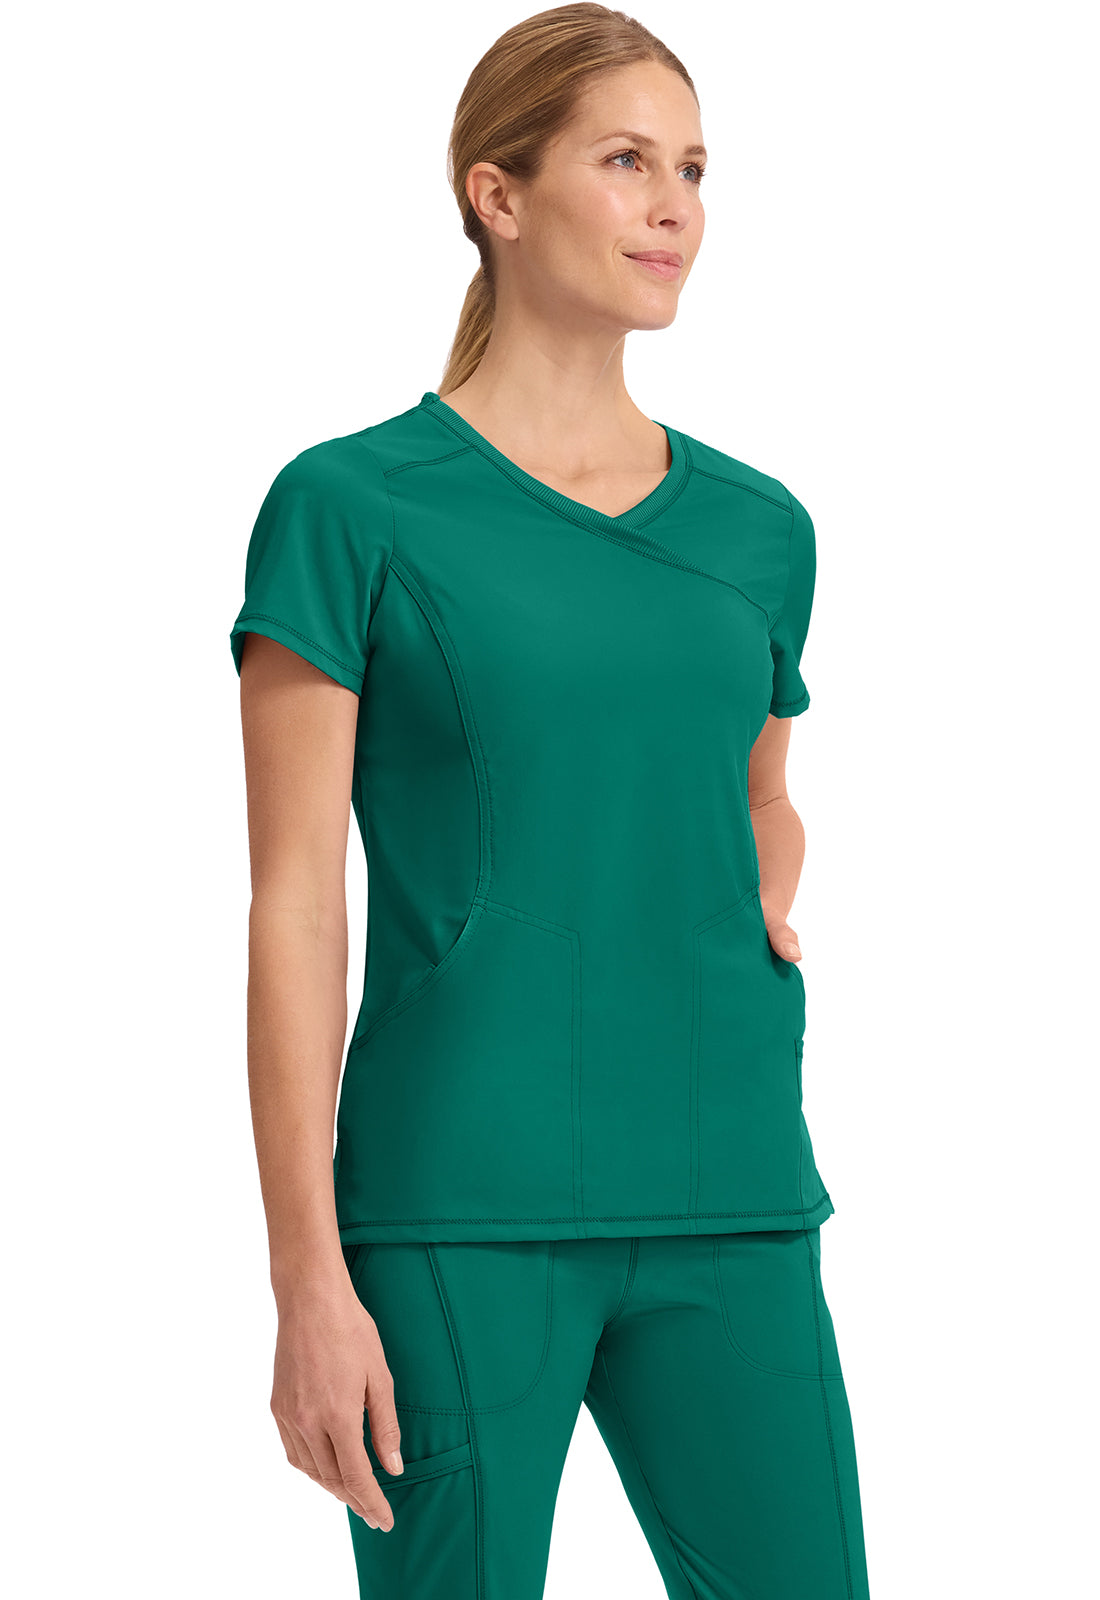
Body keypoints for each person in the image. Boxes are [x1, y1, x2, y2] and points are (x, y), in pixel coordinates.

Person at [229, 6, 871, 1597]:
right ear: (497, 195)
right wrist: (308, 1279)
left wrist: (764, 884)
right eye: (628, 161)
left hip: (733, 1184)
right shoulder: (350, 508)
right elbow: (296, 903)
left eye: (696, 170)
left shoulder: (760, 530)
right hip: (459, 1204)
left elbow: (763, 794)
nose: (676, 207)